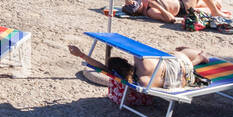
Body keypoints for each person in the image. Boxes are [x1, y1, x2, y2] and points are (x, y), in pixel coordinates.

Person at [68, 43, 209, 90]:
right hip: (178, 62)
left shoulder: (140, 82)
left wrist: (82, 55)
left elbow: (103, 68)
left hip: (183, 77)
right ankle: (198, 55)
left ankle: (199, 58)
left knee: (181, 62)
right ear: (126, 62)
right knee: (178, 53)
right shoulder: (140, 60)